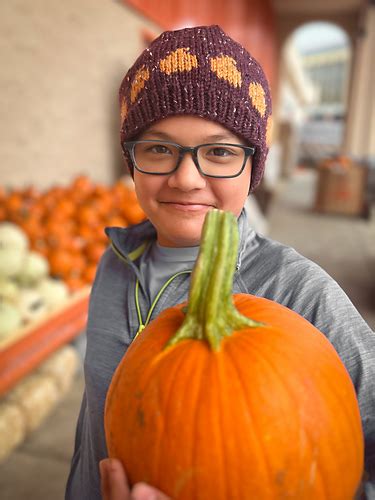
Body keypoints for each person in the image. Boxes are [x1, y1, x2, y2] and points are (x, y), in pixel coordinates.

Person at [65, 25, 375, 499]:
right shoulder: (114, 263)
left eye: (220, 152)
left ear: (253, 167)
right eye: (159, 148)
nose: (186, 178)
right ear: (131, 159)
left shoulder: (299, 294)